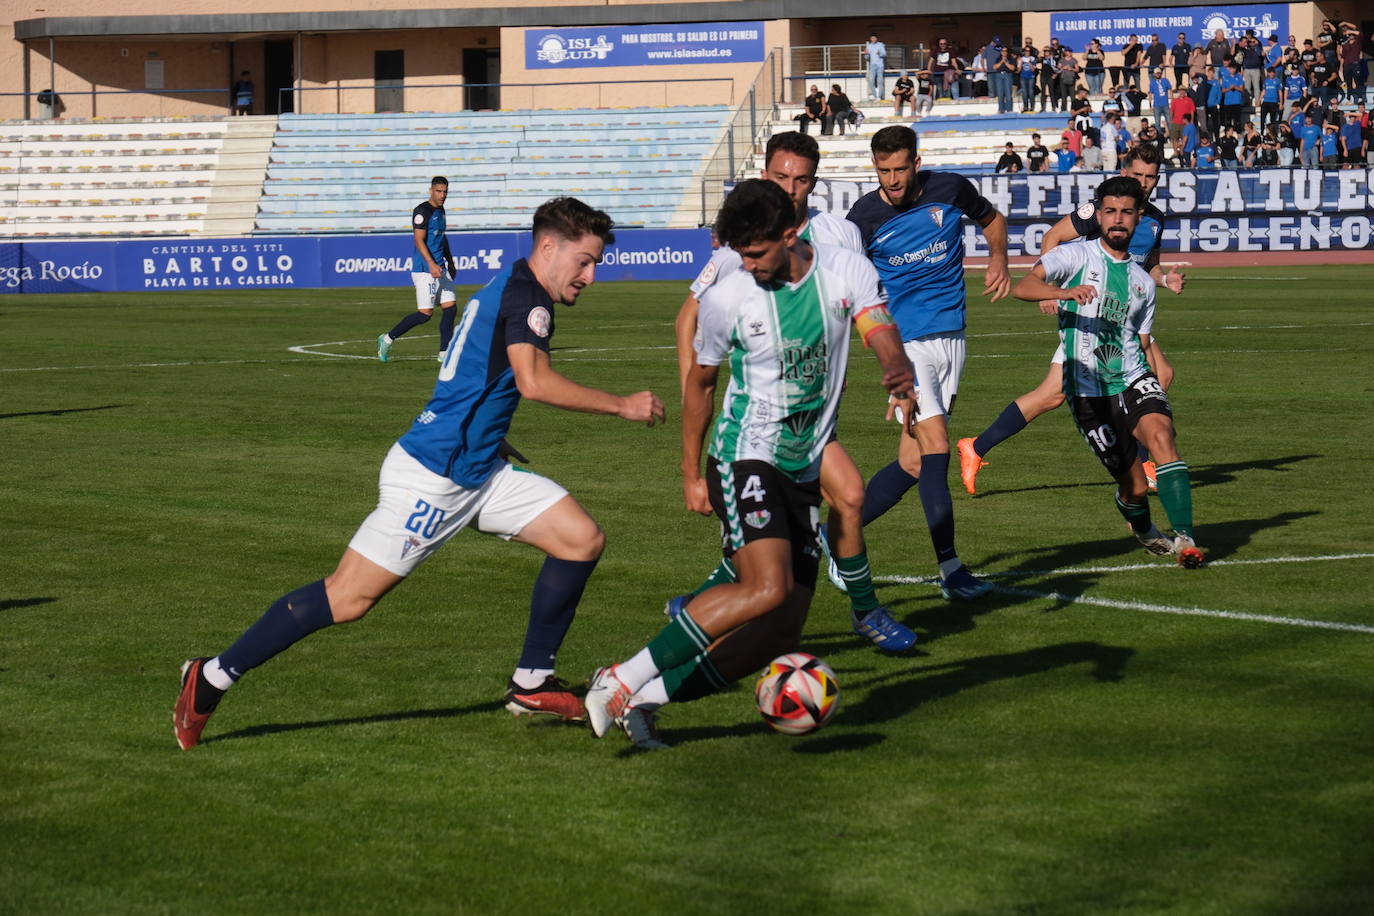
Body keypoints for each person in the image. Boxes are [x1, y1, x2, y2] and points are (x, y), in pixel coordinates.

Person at [172, 197, 667, 750]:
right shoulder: (529, 298)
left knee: (580, 539)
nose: (590, 276)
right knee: (348, 598)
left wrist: (486, 432)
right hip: (436, 477)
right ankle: (211, 677)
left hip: (478, 468)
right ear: (548, 247)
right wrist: (623, 405)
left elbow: (473, 372)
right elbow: (534, 382)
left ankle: (532, 681)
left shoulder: (509, 283)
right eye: (584, 261)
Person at [583, 180, 914, 749]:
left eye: (757, 252)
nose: (749, 264)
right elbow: (701, 387)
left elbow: (878, 327)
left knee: (779, 631)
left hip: (804, 465)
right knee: (766, 587)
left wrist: (895, 366)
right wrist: (690, 472)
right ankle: (621, 677)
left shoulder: (845, 271)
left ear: (790, 234)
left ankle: (644, 699)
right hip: (744, 454)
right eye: (741, 253)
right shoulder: (728, 297)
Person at [668, 132, 919, 653]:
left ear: (814, 182)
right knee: (804, 524)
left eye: (801, 179)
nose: (791, 188)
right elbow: (689, 316)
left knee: (836, 505)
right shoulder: (744, 248)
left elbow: (869, 311)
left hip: (812, 416)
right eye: (781, 177)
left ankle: (706, 605)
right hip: (758, 422)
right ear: (766, 176)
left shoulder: (840, 237)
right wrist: (694, 383)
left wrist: (893, 367)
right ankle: (863, 609)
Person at [957, 145, 1185, 497]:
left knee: (1053, 394)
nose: (1144, 182)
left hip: (1122, 314)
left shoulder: (1152, 219)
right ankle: (1143, 462)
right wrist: (1050, 291)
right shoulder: (1101, 210)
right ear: (1125, 173)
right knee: (1154, 375)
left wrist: (1165, 279)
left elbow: (1148, 265)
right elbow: (1054, 237)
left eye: (1150, 177)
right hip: (1093, 313)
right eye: (1138, 174)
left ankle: (975, 447)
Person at [846, 125, 1011, 600]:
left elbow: (993, 220)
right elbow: (845, 286)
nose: (893, 180)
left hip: (952, 340)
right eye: (883, 171)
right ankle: (952, 571)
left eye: (900, 169)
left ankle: (832, 537)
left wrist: (998, 259)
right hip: (907, 347)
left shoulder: (950, 189)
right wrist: (881, 362)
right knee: (937, 446)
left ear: (916, 163)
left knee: (914, 463)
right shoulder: (863, 219)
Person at [1009, 176, 1203, 567]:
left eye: (1126, 213)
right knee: (1134, 487)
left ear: (1137, 218)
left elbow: (1142, 342)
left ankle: (1185, 539)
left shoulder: (1143, 283)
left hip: (1132, 377)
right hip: (1088, 392)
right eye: (1110, 211)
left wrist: (1156, 383)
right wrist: (1062, 293)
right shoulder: (1075, 256)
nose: (1117, 219)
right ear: (1098, 216)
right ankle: (1144, 527)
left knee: (1162, 437)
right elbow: (1023, 286)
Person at [378, 176, 459, 363]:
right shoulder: (422, 211)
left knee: (450, 308)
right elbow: (418, 240)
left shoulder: (441, 210)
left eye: (445, 191)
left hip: (440, 267)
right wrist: (431, 263)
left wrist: (450, 262)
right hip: (424, 269)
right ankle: (387, 339)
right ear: (430, 190)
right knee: (424, 315)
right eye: (438, 191)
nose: (442, 195)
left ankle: (444, 353)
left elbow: (441, 238)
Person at [1219, 62, 1246, 131]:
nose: (1232, 70)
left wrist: (1235, 87)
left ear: (1236, 69)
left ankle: (1238, 133)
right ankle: (1228, 134)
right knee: (1228, 120)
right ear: (1228, 69)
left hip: (1237, 101)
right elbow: (1223, 90)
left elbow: (1242, 89)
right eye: (1231, 68)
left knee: (1237, 120)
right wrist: (1229, 88)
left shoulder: (1239, 77)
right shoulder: (1225, 78)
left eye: (1234, 68)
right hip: (1228, 102)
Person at [992, 46, 1016, 113]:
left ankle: (1009, 109)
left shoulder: (1011, 58)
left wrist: (1005, 62)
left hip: (1007, 75)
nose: (1004, 52)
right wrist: (1001, 61)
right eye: (1002, 51)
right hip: (999, 75)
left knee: (1008, 93)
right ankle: (1001, 109)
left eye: (1005, 51)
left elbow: (1012, 68)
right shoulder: (998, 58)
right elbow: (994, 67)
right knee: (1000, 93)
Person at [864, 34, 888, 101]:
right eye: (872, 38)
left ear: (876, 38)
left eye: (874, 38)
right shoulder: (869, 46)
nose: (873, 39)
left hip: (880, 65)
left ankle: (879, 96)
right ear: (870, 39)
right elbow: (866, 58)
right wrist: (866, 54)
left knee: (880, 81)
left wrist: (879, 53)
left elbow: (884, 54)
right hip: (872, 65)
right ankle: (875, 96)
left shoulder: (880, 45)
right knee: (871, 81)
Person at [1019, 45, 1039, 112]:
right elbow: (1018, 70)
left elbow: (1033, 69)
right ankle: (1025, 107)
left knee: (1031, 92)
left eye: (1028, 51)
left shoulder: (1033, 59)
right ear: (1024, 51)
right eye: (1026, 51)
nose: (1027, 52)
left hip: (1031, 77)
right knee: (1024, 92)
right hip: (1023, 77)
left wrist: (1030, 62)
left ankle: (1032, 107)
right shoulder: (1021, 58)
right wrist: (1021, 63)